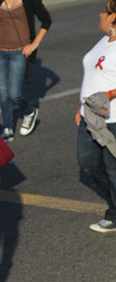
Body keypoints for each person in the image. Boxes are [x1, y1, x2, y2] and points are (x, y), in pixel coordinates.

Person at [0, 0, 52, 141]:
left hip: (18, 53)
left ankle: (29, 111)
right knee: (3, 94)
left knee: (14, 94)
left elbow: (46, 20)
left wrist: (34, 44)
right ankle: (8, 128)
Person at [76, 0, 116, 233]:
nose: (100, 15)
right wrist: (81, 104)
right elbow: (91, 76)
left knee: (112, 169)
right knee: (88, 163)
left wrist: (109, 94)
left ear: (112, 17)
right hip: (89, 116)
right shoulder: (103, 41)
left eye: (104, 12)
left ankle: (114, 214)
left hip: (111, 119)